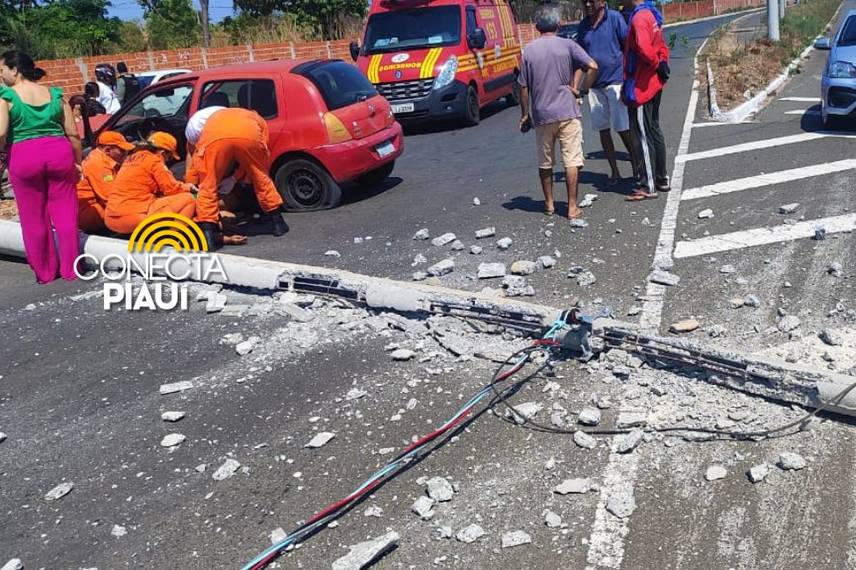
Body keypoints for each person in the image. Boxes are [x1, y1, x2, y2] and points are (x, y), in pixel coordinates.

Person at [0, 50, 82, 283]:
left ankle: (45, 272)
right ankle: (71, 269)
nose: (1, 76)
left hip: (24, 155)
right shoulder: (56, 94)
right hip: (59, 152)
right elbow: (73, 134)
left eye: (2, 70)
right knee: (66, 213)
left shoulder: (6, 96)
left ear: (15, 70)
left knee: (33, 217)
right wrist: (77, 162)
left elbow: (1, 132)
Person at [518, 3, 598, 220]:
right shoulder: (568, 45)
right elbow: (592, 66)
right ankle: (572, 207)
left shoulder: (528, 52)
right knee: (572, 159)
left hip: (542, 114)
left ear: (536, 27)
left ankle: (550, 204)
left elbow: (523, 86)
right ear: (559, 24)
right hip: (568, 111)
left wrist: (525, 114)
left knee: (545, 162)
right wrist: (581, 90)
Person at [187, 106, 286, 249]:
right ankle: (278, 222)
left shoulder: (209, 122)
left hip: (215, 136)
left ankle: (209, 236)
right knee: (261, 177)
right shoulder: (256, 119)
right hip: (248, 134)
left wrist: (191, 184)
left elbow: (196, 161)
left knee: (208, 185)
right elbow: (262, 149)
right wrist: (242, 177)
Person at [577, 0, 640, 186]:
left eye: (591, 1)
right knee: (602, 130)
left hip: (616, 81)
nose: (587, 4)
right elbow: (580, 57)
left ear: (601, 2)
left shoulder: (614, 18)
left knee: (623, 127)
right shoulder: (583, 26)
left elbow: (627, 45)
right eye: (584, 2)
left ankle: (636, 163)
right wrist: (576, 86)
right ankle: (614, 171)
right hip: (594, 86)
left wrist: (631, 74)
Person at [621, 0, 671, 201]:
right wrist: (662, 64)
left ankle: (647, 185)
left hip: (642, 86)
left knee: (641, 134)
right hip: (654, 82)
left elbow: (643, 47)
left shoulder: (640, 18)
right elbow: (661, 45)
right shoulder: (651, 14)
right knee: (653, 129)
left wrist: (655, 63)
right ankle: (661, 178)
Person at [105, 131, 196, 235]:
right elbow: (171, 189)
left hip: (110, 219)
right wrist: (188, 187)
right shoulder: (155, 161)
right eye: (169, 157)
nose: (167, 161)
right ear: (163, 153)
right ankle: (172, 238)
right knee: (189, 199)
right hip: (134, 217)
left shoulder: (130, 159)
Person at [78, 131, 134, 233]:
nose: (126, 153)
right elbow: (111, 197)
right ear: (107, 150)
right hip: (87, 213)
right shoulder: (98, 164)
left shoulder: (103, 159)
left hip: (91, 209)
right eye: (122, 150)